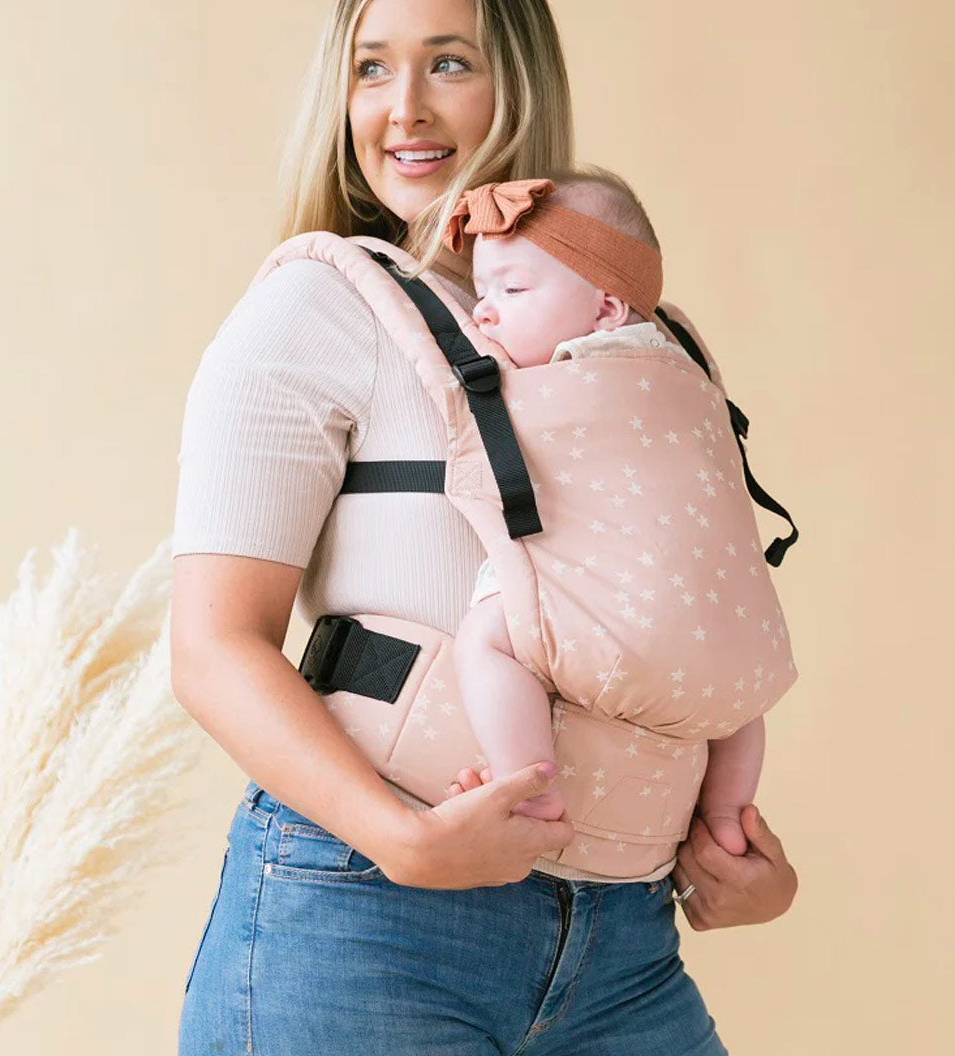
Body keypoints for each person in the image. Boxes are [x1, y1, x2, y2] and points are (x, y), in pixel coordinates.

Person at [170, 1, 799, 1052]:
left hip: (626, 942)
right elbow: (211, 646)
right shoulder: (312, 309)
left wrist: (728, 846)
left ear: (520, 81)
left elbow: (669, 626)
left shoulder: (632, 340)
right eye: (371, 70)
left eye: (448, 63)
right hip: (364, 918)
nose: (403, 109)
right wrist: (403, 841)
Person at [447, 172, 776, 859]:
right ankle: (725, 815)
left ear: (604, 310)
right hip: (721, 631)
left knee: (486, 638)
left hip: (612, 615)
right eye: (481, 295)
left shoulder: (567, 369)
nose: (484, 314)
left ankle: (529, 784)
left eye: (512, 290)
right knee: (741, 706)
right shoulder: (686, 366)